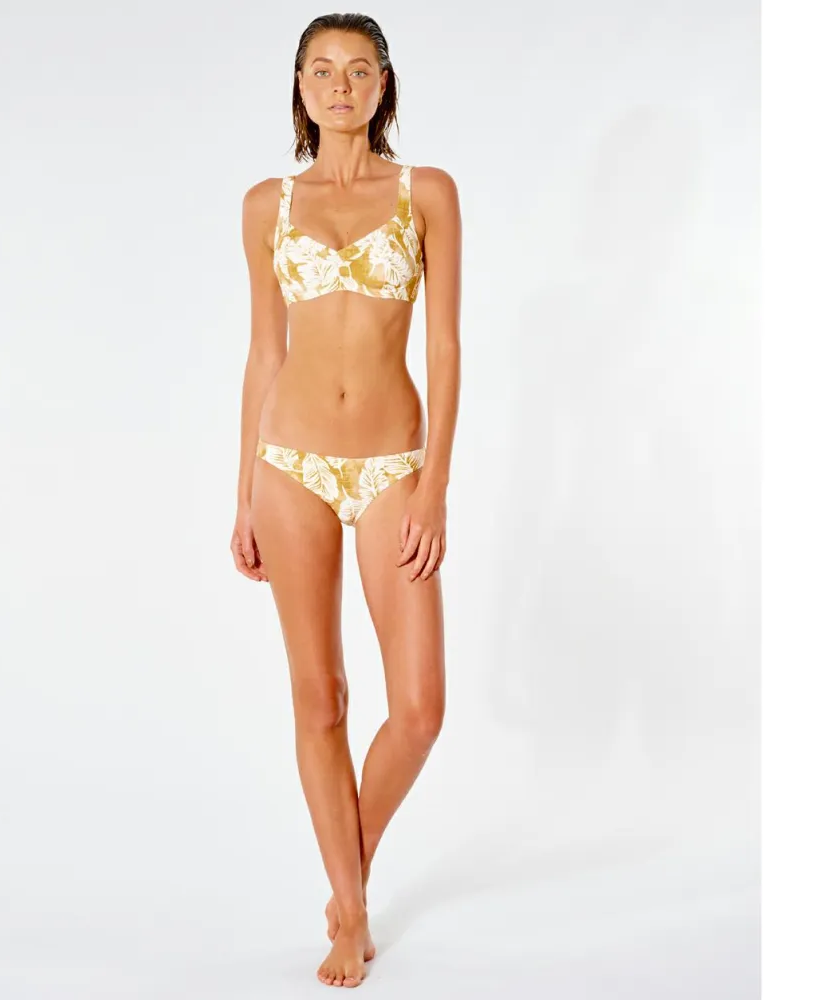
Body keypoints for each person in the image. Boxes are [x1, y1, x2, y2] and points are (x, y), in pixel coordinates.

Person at [230, 12, 461, 989]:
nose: (339, 85)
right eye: (321, 70)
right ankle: (351, 912)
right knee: (318, 696)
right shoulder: (266, 204)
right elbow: (264, 353)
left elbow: (445, 347)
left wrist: (434, 486)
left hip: (390, 466)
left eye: (358, 70)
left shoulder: (427, 192)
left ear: (383, 85)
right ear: (299, 86)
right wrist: (242, 492)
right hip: (288, 465)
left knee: (419, 709)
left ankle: (346, 871)